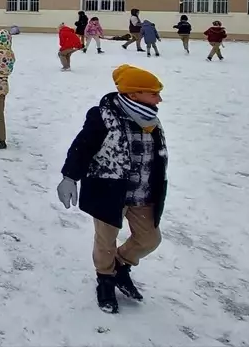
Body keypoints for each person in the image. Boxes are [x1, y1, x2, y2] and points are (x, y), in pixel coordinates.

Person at [57, 64, 168, 314]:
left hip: (143, 192)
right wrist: (69, 177)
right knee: (105, 240)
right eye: (153, 93)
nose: (159, 98)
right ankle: (105, 279)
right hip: (109, 189)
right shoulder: (103, 116)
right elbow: (83, 146)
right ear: (133, 94)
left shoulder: (150, 117)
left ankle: (120, 265)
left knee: (150, 238)